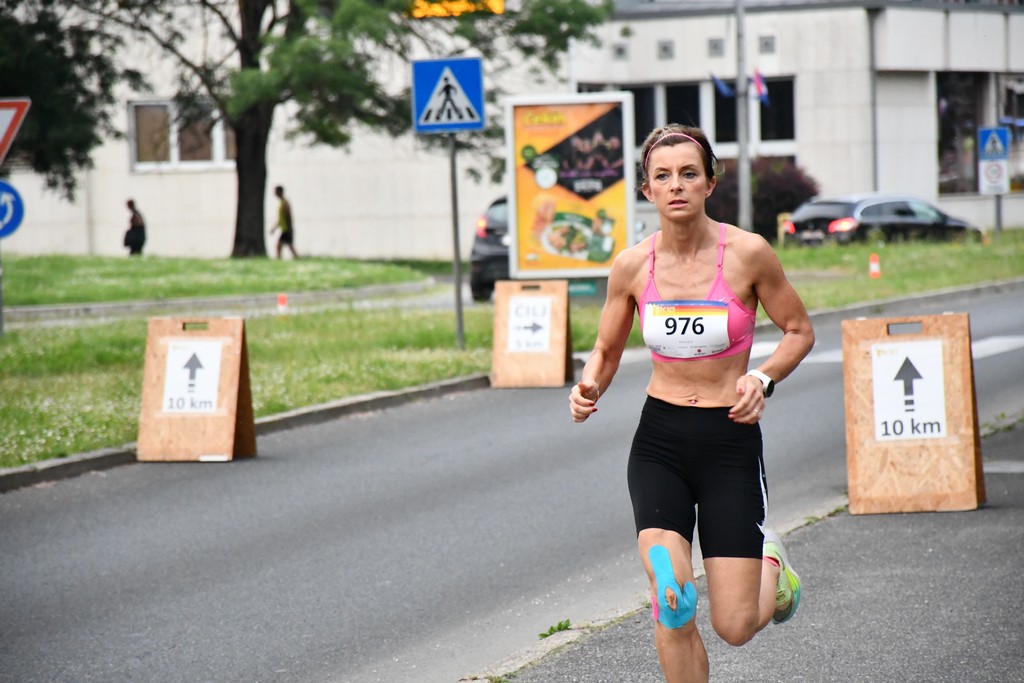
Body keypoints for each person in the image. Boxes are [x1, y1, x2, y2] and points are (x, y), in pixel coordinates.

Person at [568, 124, 815, 683]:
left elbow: (799, 330)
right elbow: (606, 350)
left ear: (709, 183)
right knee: (673, 598)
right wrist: (588, 388)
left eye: (688, 173)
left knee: (734, 626)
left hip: (729, 442)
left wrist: (764, 379)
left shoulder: (748, 254)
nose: (675, 185)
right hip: (661, 441)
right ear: (647, 190)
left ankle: (773, 567)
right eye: (662, 176)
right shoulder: (632, 266)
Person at [270, 185, 298, 259]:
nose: (275, 193)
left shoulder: (285, 203)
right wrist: (274, 228)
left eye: (276, 191)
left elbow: (288, 216)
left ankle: (279, 259)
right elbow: (280, 219)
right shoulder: (281, 202)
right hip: (284, 228)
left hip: (286, 229)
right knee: (289, 245)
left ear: (280, 192)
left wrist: (290, 228)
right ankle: (296, 258)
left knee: (280, 245)